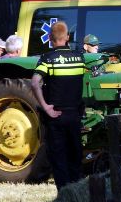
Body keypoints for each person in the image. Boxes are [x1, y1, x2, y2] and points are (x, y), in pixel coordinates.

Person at [31, 21, 85, 191]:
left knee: (58, 157)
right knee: (75, 155)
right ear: (67, 37)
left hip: (56, 115)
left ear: (49, 38)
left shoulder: (48, 59)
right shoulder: (79, 57)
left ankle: (64, 194)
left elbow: (34, 83)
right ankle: (77, 191)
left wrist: (46, 107)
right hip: (75, 114)